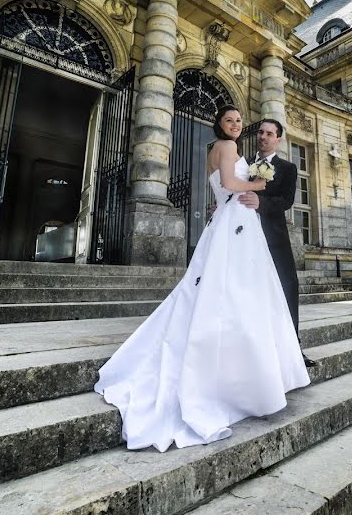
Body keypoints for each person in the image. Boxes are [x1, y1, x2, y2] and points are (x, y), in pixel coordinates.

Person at [94, 106, 310, 452]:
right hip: (236, 221)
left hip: (239, 221)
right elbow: (227, 183)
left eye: (240, 121)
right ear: (219, 125)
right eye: (230, 121)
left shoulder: (242, 153)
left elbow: (244, 192)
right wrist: (254, 184)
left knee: (250, 291)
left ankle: (270, 359)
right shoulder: (226, 148)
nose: (237, 125)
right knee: (234, 290)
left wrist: (236, 196)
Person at [239, 120, 317, 367]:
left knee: (287, 286)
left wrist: (261, 203)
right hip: (245, 235)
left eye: (269, 134)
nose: (263, 137)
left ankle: (294, 349)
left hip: (274, 235)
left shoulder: (288, 167)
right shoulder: (244, 164)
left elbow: (286, 201)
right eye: (261, 132)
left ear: (278, 139)